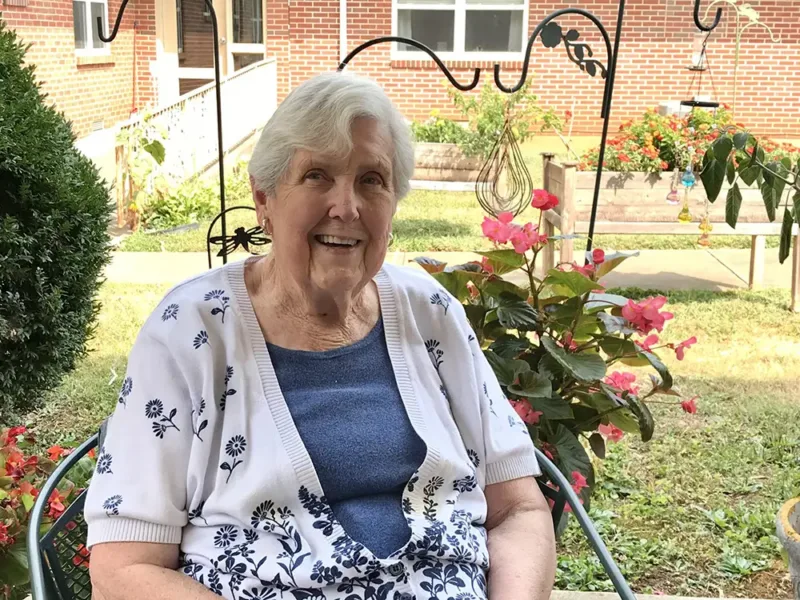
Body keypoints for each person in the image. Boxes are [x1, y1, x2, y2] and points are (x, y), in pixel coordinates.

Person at [85, 72, 556, 600]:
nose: (347, 206)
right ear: (264, 199)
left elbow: (518, 507)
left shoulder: (430, 312)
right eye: (316, 175)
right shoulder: (191, 331)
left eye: (372, 180)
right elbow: (123, 567)